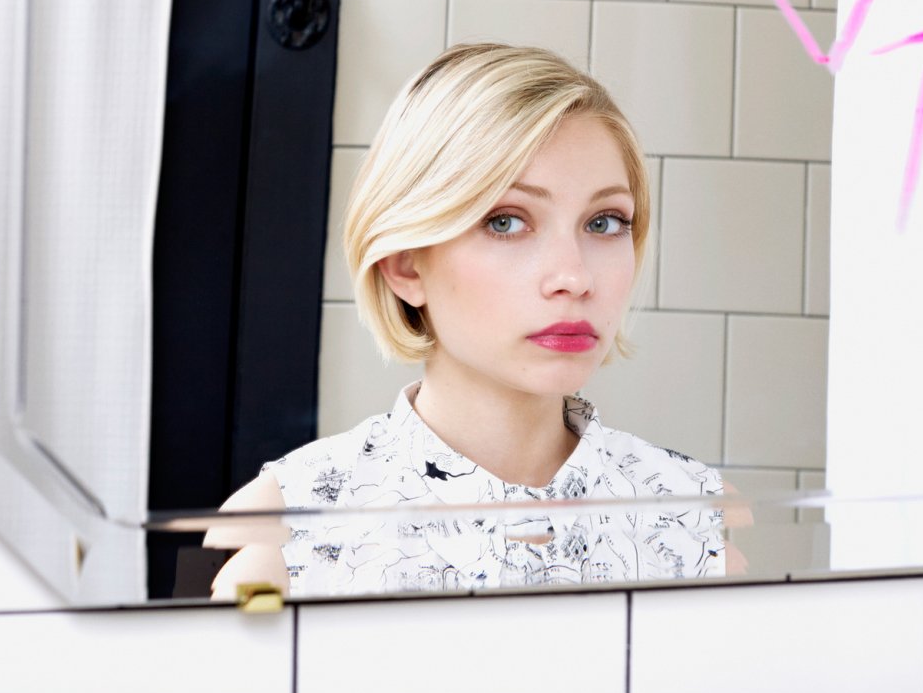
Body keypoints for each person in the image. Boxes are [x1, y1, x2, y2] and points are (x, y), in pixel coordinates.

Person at [206, 43, 736, 597]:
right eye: (506, 222)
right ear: (405, 263)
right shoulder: (290, 528)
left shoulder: (694, 519)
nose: (575, 277)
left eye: (604, 222)